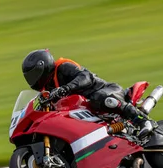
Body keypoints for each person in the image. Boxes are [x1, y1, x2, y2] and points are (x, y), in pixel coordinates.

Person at [21, 49, 154, 138]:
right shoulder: (48, 89)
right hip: (89, 109)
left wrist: (66, 88)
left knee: (99, 98)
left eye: (33, 74)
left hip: (106, 91)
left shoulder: (62, 67)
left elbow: (86, 77)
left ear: (42, 67)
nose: (32, 79)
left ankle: (143, 121)